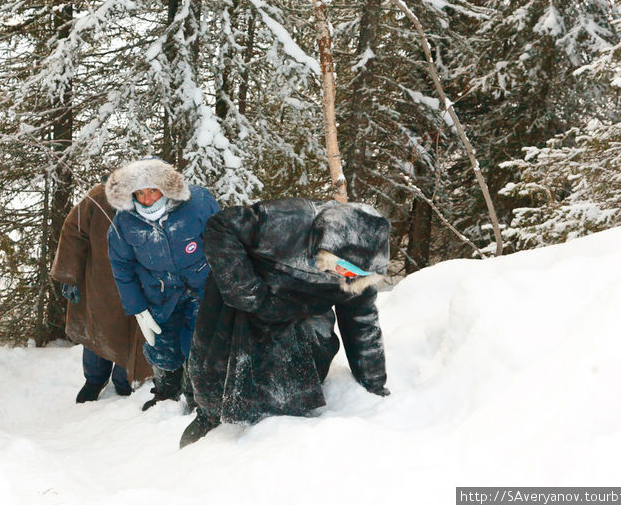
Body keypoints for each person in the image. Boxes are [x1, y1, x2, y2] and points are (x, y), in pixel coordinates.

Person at [180, 198, 391, 447]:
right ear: (330, 245)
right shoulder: (287, 220)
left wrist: (374, 384)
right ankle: (208, 413)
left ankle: (276, 434)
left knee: (300, 365)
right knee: (215, 358)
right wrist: (253, 297)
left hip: (299, 312)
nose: (344, 277)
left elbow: (362, 325)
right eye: (343, 267)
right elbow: (220, 227)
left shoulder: (356, 275)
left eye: (354, 274)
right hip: (246, 291)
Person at [105, 158, 220, 411]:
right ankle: (166, 392)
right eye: (140, 193)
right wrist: (137, 309)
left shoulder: (198, 203)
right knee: (162, 345)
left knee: (199, 343)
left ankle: (196, 395)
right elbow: (121, 266)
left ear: (166, 189)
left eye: (153, 191)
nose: (147, 199)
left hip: (202, 290)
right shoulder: (125, 221)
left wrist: (226, 284)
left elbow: (223, 240)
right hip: (160, 296)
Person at [50, 182, 152, 403]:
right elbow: (73, 231)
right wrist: (70, 275)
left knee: (133, 333)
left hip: (139, 284)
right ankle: (94, 380)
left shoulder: (156, 201)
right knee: (98, 332)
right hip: (101, 281)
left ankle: (124, 382)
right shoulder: (100, 197)